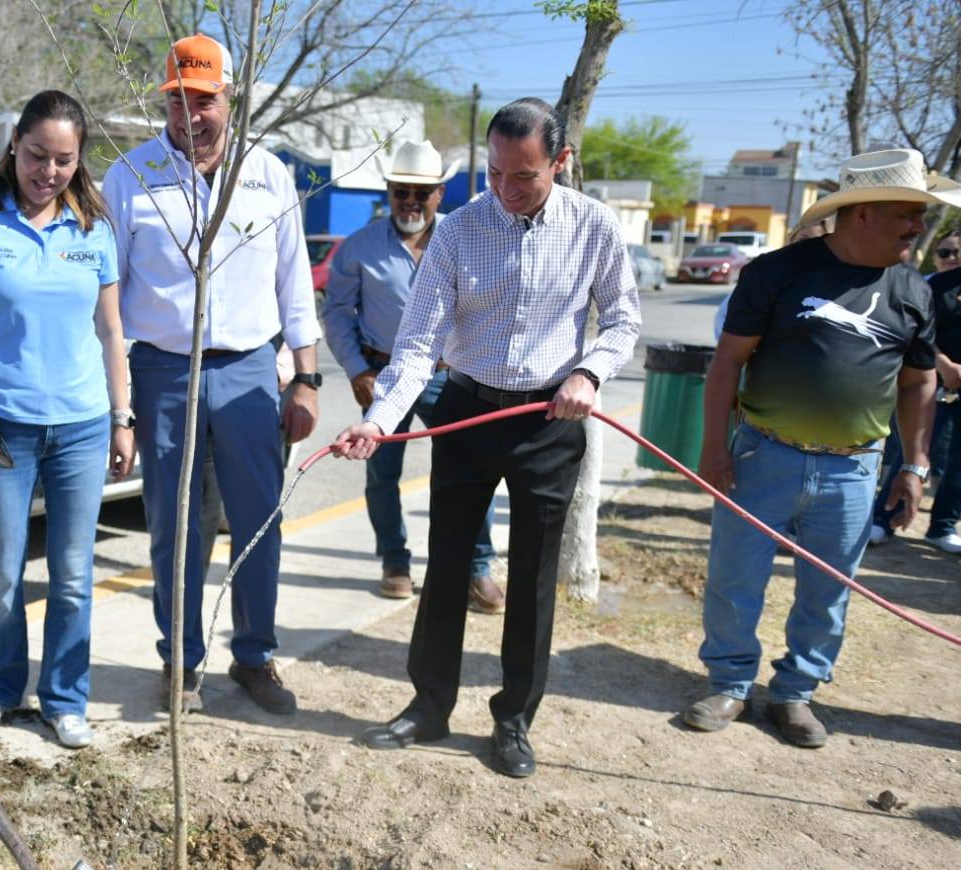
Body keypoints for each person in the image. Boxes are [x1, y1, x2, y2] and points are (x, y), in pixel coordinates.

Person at [333, 98, 640, 778]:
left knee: (530, 580)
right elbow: (416, 344)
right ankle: (427, 706)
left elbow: (621, 321)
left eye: (522, 177)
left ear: (558, 163)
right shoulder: (458, 231)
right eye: (494, 173)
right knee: (446, 567)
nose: (504, 191)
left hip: (550, 422)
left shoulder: (593, 228)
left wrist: (588, 373)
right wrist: (378, 421)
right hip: (467, 415)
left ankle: (513, 720)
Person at [685, 147, 951, 748]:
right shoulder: (777, 273)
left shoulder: (915, 291)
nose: (918, 227)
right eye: (906, 213)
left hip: (854, 472)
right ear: (860, 214)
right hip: (764, 456)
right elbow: (728, 362)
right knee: (735, 577)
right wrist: (713, 448)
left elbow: (918, 383)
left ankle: (796, 693)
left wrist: (914, 465)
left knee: (828, 592)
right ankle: (730, 683)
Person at [102, 33, 321, 716]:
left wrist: (306, 377)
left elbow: (293, 285)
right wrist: (119, 404)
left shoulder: (266, 175)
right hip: (163, 372)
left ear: (228, 96)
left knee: (257, 522)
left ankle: (253, 656)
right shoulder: (130, 176)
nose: (188, 116)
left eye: (203, 99)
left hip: (251, 369)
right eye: (176, 101)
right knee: (174, 526)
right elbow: (106, 296)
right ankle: (181, 663)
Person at [0, 90, 134, 750]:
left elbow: (110, 331)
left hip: (80, 424)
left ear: (80, 162)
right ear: (14, 145)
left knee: (73, 576)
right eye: (37, 155)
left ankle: (65, 697)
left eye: (64, 160)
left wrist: (121, 417)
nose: (48, 171)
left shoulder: (93, 229)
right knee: (3, 575)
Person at [323, 140, 506, 609]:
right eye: (401, 190)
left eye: (421, 192)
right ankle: (394, 561)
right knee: (382, 475)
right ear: (389, 190)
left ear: (440, 194)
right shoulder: (359, 248)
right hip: (381, 375)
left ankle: (477, 566)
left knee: (468, 473)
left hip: (452, 376)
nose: (410, 201)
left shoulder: (466, 240)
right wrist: (357, 370)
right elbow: (338, 314)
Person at [868, 227, 961, 551]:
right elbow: (917, 336)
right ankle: (882, 520)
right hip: (934, 384)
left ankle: (943, 526)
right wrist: (945, 366)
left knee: (957, 465)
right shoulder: (931, 286)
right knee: (912, 456)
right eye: (945, 252)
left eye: (957, 253)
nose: (951, 259)